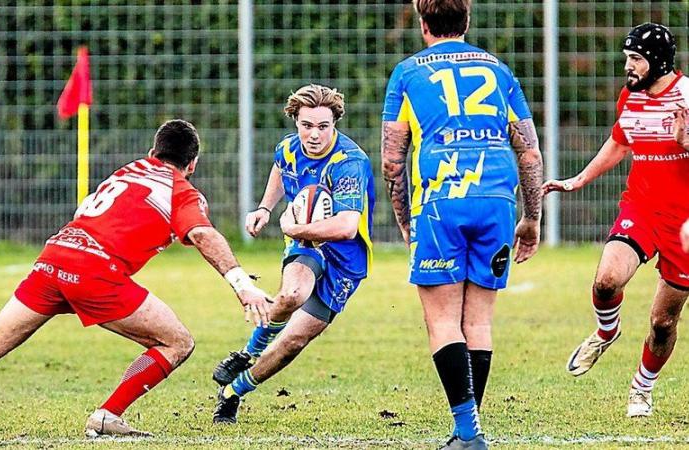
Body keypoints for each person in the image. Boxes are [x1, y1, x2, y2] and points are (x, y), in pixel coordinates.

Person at [0, 119, 272, 437]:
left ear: (153, 152)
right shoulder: (182, 192)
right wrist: (242, 285)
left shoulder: (128, 170)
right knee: (177, 342)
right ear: (192, 164)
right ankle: (107, 415)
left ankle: (108, 417)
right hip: (93, 272)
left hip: (54, 256)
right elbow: (203, 234)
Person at [380, 1, 543, 448]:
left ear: (423, 23)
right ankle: (466, 431)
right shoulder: (498, 69)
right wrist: (531, 217)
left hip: (441, 201)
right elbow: (529, 151)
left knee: (443, 320)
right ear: (466, 22)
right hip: (495, 200)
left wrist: (404, 222)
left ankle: (469, 434)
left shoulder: (408, 73)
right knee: (480, 322)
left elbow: (393, 160)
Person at [544, 23, 689, 417]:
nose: (628, 66)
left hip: (685, 224)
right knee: (606, 282)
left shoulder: (687, 97)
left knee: (663, 322)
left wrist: (686, 142)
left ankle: (642, 387)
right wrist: (579, 179)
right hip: (641, 207)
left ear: (658, 62)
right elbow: (620, 141)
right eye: (627, 58)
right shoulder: (631, 96)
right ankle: (606, 332)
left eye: (636, 59)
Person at [211, 84, 375, 424]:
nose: (314, 135)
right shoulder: (288, 148)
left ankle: (233, 392)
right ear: (295, 121)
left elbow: (346, 226)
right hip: (307, 245)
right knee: (291, 294)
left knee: (293, 342)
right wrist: (265, 209)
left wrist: (292, 228)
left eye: (323, 126)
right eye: (306, 125)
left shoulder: (350, 163)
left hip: (345, 259)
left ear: (335, 124)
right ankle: (248, 352)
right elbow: (280, 169)